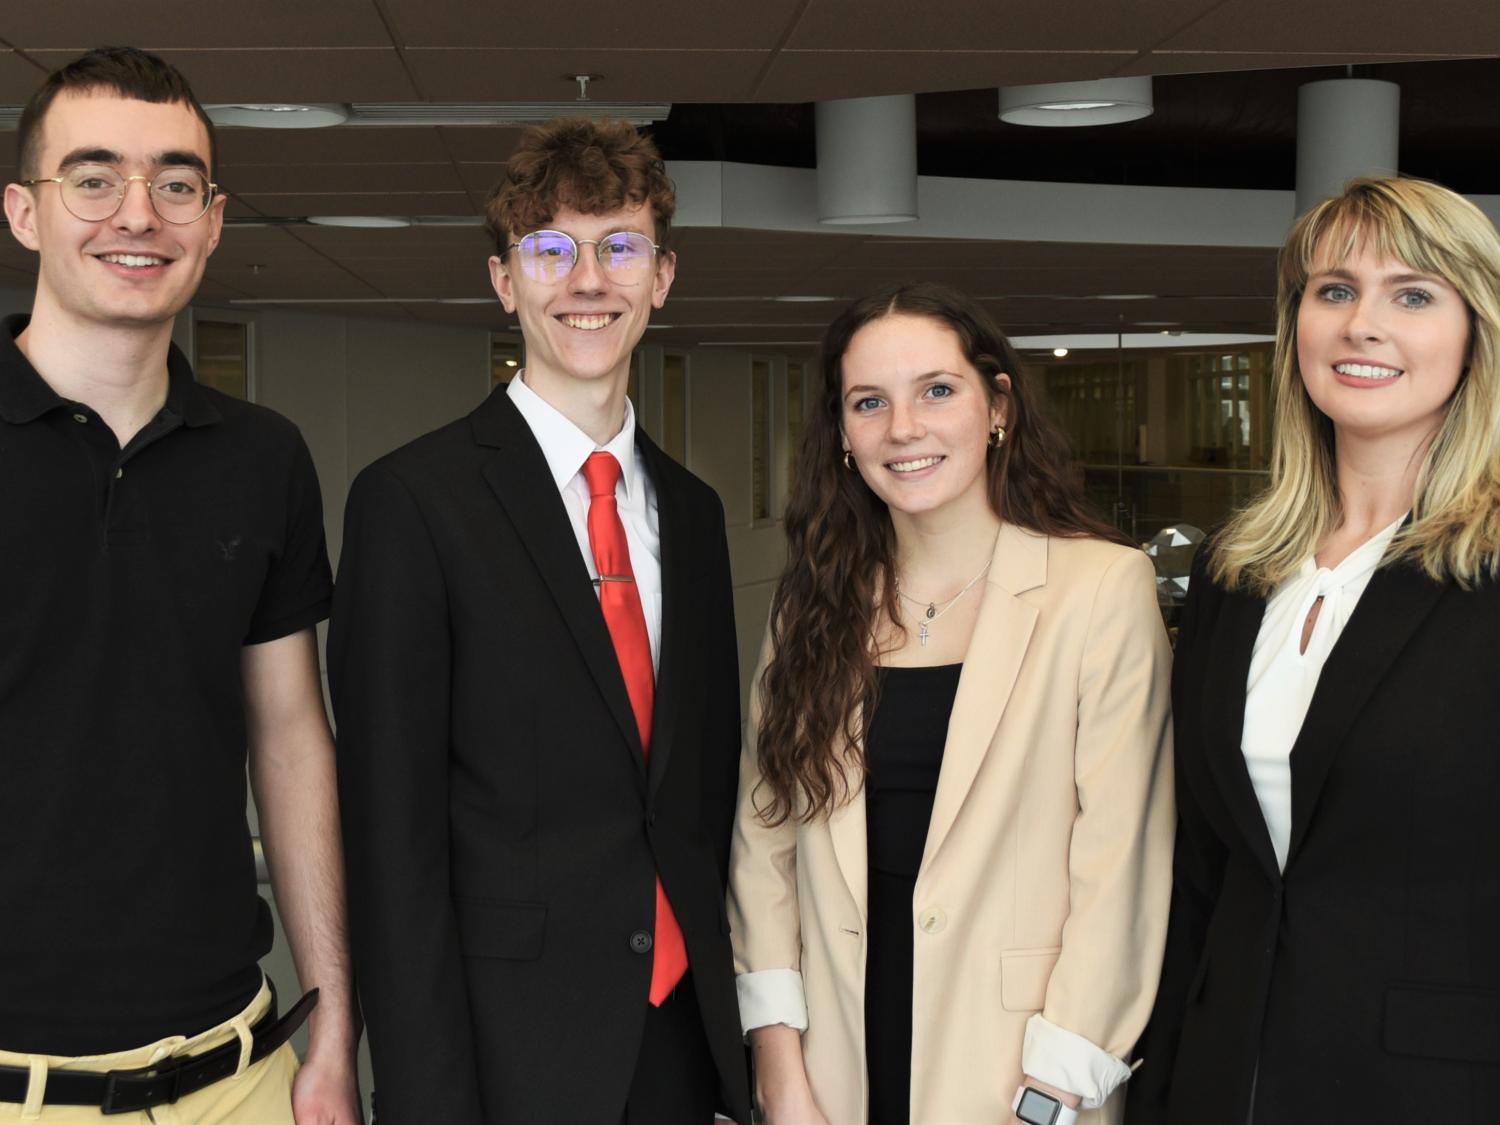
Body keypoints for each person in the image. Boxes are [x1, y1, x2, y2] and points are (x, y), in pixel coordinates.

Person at [329, 117, 753, 1125]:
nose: (587, 279)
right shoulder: (413, 502)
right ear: (503, 281)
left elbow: (701, 796)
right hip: (505, 1054)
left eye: (620, 248)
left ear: (663, 277)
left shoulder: (692, 514)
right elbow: (393, 844)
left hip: (682, 1041)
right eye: (551, 251)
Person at [0, 48, 360, 1124]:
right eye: (94, 178)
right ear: (24, 213)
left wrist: (333, 1016)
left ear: (211, 221)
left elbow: (292, 737)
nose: (138, 215)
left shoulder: (262, 457)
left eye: (176, 184)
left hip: (234, 1079)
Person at [728, 281, 1174, 1125]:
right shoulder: (813, 606)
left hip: (1020, 1077)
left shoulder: (1101, 588)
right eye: (870, 402)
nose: (904, 427)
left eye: (937, 389)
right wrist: (779, 1068)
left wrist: (1050, 1098)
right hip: (833, 1068)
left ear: (997, 403)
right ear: (844, 434)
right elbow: (765, 840)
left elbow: (1122, 871)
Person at [1125, 176, 1500, 1125]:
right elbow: (1203, 873)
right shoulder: (1236, 569)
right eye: (1333, 291)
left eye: (1413, 294)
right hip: (1223, 1079)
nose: (1361, 322)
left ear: (1477, 335)